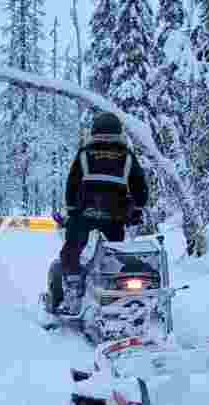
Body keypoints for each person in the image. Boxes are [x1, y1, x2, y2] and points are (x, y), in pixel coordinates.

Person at [53, 111, 149, 316]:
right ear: (118, 132)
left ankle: (72, 289)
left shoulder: (84, 154)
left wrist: (71, 210)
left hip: (83, 216)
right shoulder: (127, 157)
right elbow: (141, 188)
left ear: (94, 131)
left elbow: (72, 184)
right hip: (115, 218)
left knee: (71, 251)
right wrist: (136, 210)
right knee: (114, 253)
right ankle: (118, 290)